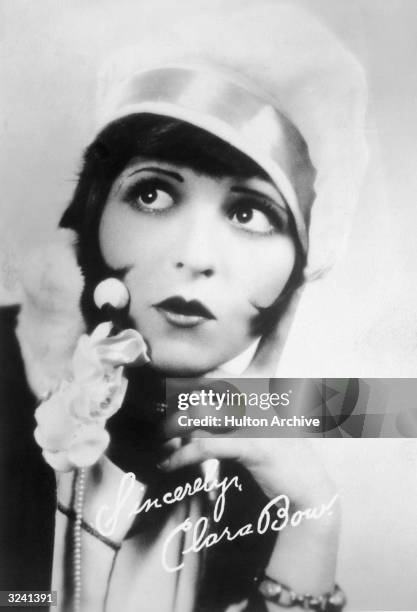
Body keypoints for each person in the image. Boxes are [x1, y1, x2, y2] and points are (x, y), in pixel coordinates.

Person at [0, 3, 368, 611]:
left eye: (250, 214)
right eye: (151, 193)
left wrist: (311, 518)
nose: (195, 255)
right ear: (92, 215)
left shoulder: (253, 459)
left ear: (297, 275)